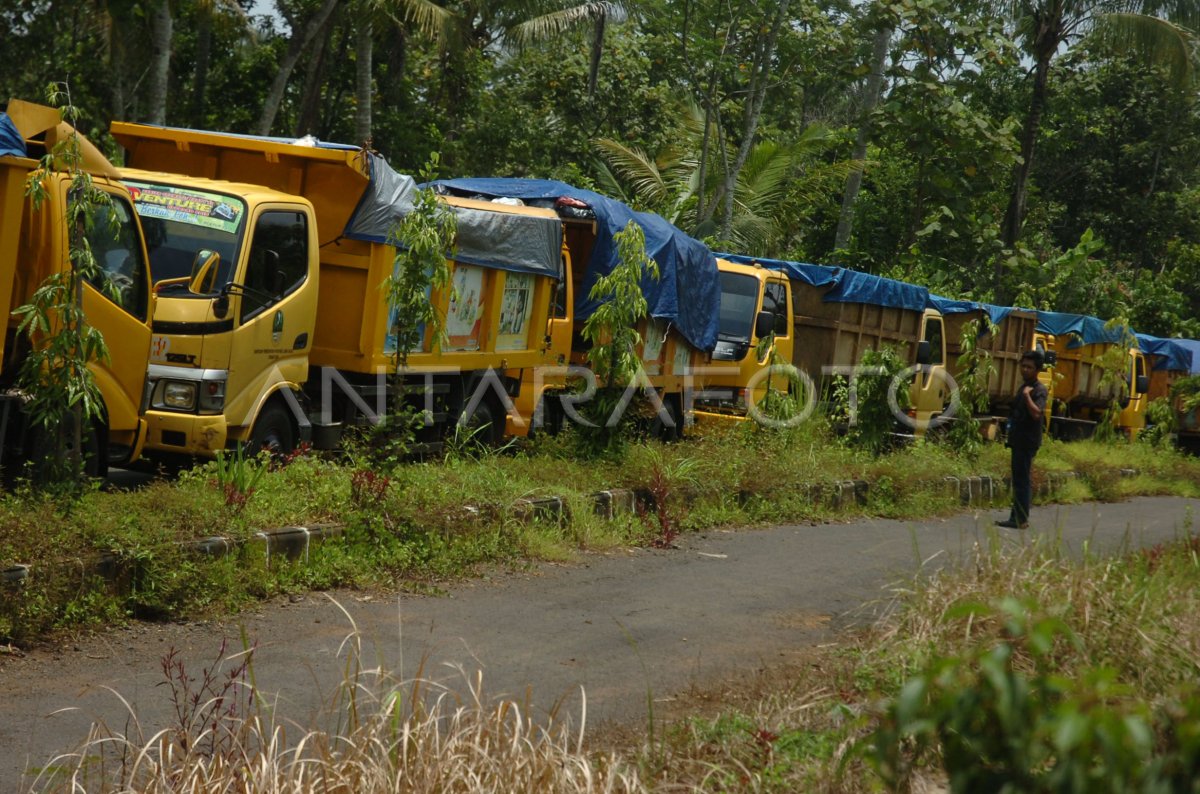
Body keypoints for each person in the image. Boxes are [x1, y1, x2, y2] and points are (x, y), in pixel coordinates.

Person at [999, 350, 1050, 529]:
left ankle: (1021, 519)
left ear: (1037, 370)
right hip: (1018, 439)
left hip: (1027, 441)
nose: (1025, 370)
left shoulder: (1038, 390)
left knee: (1022, 480)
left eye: (1029, 367)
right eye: (1023, 366)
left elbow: (1037, 413)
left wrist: (1028, 396)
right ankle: (1016, 517)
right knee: (1018, 479)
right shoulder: (1024, 386)